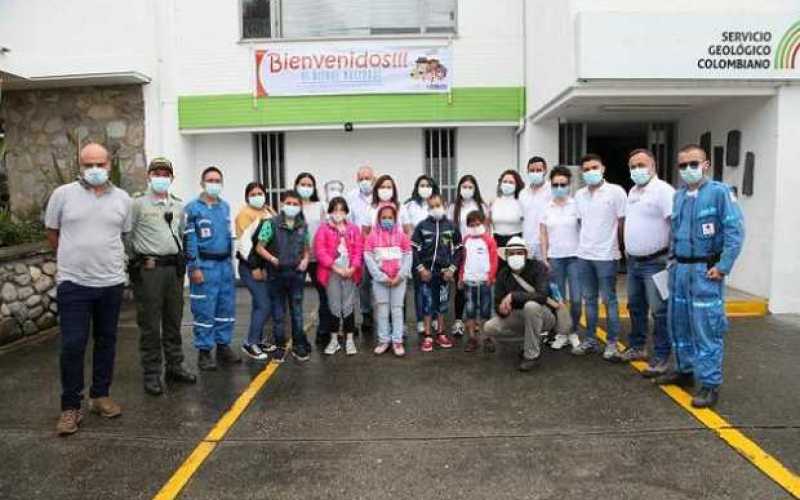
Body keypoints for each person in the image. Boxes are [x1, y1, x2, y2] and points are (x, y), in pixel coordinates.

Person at [45, 143, 132, 436]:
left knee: (106, 341)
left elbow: (122, 235)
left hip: (110, 283)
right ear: (79, 166)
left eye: (100, 164)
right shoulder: (62, 195)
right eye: (88, 164)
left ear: (109, 164)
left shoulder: (122, 199)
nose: (94, 170)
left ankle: (100, 396)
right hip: (73, 283)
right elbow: (52, 232)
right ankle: (71, 406)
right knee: (73, 344)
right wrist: (73, 258)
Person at [655, 144, 744, 408]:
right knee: (678, 323)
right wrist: (671, 262)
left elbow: (735, 232)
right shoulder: (679, 196)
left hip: (705, 271)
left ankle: (709, 384)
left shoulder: (719, 193)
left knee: (707, 328)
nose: (687, 169)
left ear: (705, 165)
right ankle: (684, 370)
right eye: (682, 165)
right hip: (680, 270)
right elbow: (675, 232)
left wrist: (724, 265)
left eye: (693, 164)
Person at [128, 157, 196, 396]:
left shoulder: (177, 206)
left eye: (165, 174)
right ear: (149, 176)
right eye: (156, 173)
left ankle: (175, 366)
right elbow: (127, 235)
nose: (161, 177)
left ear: (171, 178)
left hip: (173, 270)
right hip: (149, 270)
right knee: (149, 324)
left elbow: (180, 234)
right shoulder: (137, 204)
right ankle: (151, 373)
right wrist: (134, 262)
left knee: (173, 319)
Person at [621, 149, 675, 377]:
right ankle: (638, 347)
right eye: (632, 166)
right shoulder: (633, 191)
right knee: (635, 307)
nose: (636, 170)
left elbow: (675, 224)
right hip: (634, 263)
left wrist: (673, 258)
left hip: (657, 262)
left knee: (660, 312)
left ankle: (662, 357)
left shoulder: (663, 191)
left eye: (641, 165)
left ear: (653, 166)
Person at [483, 237, 572, 371]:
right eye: (512, 253)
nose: (515, 256)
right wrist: (502, 310)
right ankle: (527, 341)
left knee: (531, 306)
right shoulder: (503, 274)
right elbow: (497, 303)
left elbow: (542, 296)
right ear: (506, 256)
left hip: (544, 316)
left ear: (526, 254)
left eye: (519, 252)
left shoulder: (538, 268)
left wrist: (514, 295)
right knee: (490, 327)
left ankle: (531, 355)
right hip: (519, 316)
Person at [571, 154, 627, 361]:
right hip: (584, 255)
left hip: (607, 256)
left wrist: (623, 250)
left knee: (609, 300)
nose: (590, 172)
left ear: (603, 168)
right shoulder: (579, 195)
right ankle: (591, 339)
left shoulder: (616, 192)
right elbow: (580, 223)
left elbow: (622, 223)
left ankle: (612, 343)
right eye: (585, 169)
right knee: (590, 300)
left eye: (594, 167)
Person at [185, 166, 240, 371]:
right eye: (210, 180)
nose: (214, 184)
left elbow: (228, 237)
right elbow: (190, 239)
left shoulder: (224, 207)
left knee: (225, 309)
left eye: (217, 180)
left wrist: (231, 266)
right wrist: (194, 267)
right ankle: (204, 352)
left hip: (224, 266)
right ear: (202, 183)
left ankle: (223, 346)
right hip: (204, 267)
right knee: (204, 310)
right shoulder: (193, 208)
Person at [255, 190, 312, 363]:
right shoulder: (270, 224)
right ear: (281, 204)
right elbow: (259, 247)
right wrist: (272, 259)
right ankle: (280, 346)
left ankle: (298, 346)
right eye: (289, 203)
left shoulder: (303, 226)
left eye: (296, 204)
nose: (292, 207)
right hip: (276, 274)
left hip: (296, 275)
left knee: (297, 312)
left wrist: (305, 260)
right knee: (278, 314)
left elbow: (307, 249)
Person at [314, 197, 364, 356]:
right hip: (332, 272)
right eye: (335, 210)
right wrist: (335, 267)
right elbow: (320, 251)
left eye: (342, 210)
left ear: (346, 212)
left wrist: (353, 267)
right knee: (334, 306)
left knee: (348, 306)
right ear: (330, 211)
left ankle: (349, 340)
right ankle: (334, 340)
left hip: (350, 271)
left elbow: (358, 250)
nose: (338, 213)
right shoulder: (323, 229)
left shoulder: (354, 229)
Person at [539, 166, 582, 351]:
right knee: (559, 299)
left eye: (562, 184)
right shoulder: (546, 207)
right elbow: (543, 235)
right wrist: (544, 257)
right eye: (555, 184)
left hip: (575, 258)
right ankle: (562, 333)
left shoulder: (577, 205)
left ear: (569, 185)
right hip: (555, 258)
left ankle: (573, 331)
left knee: (577, 298)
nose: (558, 187)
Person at [411, 193, 459, 351]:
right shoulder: (422, 226)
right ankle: (427, 335)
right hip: (426, 274)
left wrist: (452, 269)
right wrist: (421, 269)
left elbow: (459, 250)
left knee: (442, 305)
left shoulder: (451, 226)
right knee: (427, 304)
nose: (435, 209)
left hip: (444, 274)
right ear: (428, 208)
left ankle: (440, 333)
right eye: (432, 206)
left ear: (444, 206)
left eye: (438, 205)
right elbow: (414, 249)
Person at [235, 182, 277, 361]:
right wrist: (255, 268)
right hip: (250, 266)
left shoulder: (267, 212)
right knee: (264, 304)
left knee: (261, 305)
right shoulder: (244, 214)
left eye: (260, 193)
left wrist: (274, 214)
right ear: (247, 196)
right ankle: (249, 343)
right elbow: (245, 245)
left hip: (265, 266)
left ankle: (258, 340)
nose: (257, 196)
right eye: (253, 194)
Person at [364, 205, 412, 357]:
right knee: (383, 310)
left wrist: (400, 276)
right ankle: (383, 340)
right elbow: (368, 258)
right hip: (380, 281)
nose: (387, 220)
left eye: (390, 217)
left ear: (395, 218)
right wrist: (381, 277)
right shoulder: (372, 237)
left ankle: (397, 341)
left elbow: (408, 256)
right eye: (383, 217)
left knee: (397, 310)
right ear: (378, 219)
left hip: (399, 280)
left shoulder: (402, 236)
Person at [447, 175, 490, 337]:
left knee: (478, 285)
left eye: (470, 187)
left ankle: (475, 320)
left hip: (478, 251)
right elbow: (449, 230)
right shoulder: (453, 207)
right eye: (464, 187)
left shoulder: (481, 206)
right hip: (459, 250)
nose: (467, 190)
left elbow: (487, 229)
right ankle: (458, 320)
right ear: (459, 189)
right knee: (460, 287)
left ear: (475, 188)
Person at [295, 172, 333, 348]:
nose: (306, 187)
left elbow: (327, 230)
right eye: (302, 184)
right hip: (297, 259)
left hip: (318, 258)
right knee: (296, 297)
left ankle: (324, 330)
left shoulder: (320, 206)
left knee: (324, 295)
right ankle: (298, 336)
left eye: (309, 184)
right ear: (296, 186)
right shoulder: (292, 205)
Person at [458, 210, 498, 353]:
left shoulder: (489, 240)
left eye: (478, 223)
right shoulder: (466, 240)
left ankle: (487, 338)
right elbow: (462, 260)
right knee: (470, 311)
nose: (475, 226)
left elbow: (494, 260)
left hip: (485, 282)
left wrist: (491, 277)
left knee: (486, 312)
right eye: (472, 224)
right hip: (469, 282)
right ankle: (472, 338)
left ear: (484, 223)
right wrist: (461, 277)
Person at [346, 164, 376, 335]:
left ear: (374, 179)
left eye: (368, 178)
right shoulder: (351, 197)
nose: (365, 181)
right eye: (362, 178)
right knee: (363, 283)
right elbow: (348, 221)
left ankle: (384, 315)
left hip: (380, 246)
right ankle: (366, 314)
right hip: (359, 246)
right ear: (357, 180)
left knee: (380, 281)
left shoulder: (380, 195)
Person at [519, 156, 552, 261]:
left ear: (545, 171)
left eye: (538, 170)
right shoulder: (523, 193)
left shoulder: (552, 190)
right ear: (527, 172)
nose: (535, 173)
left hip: (547, 243)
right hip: (527, 242)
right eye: (532, 170)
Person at [489, 169, 525, 248]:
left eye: (511, 182)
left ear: (517, 185)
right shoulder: (493, 202)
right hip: (497, 241)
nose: (507, 184)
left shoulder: (521, 202)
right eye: (505, 181)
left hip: (516, 242)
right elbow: (489, 224)